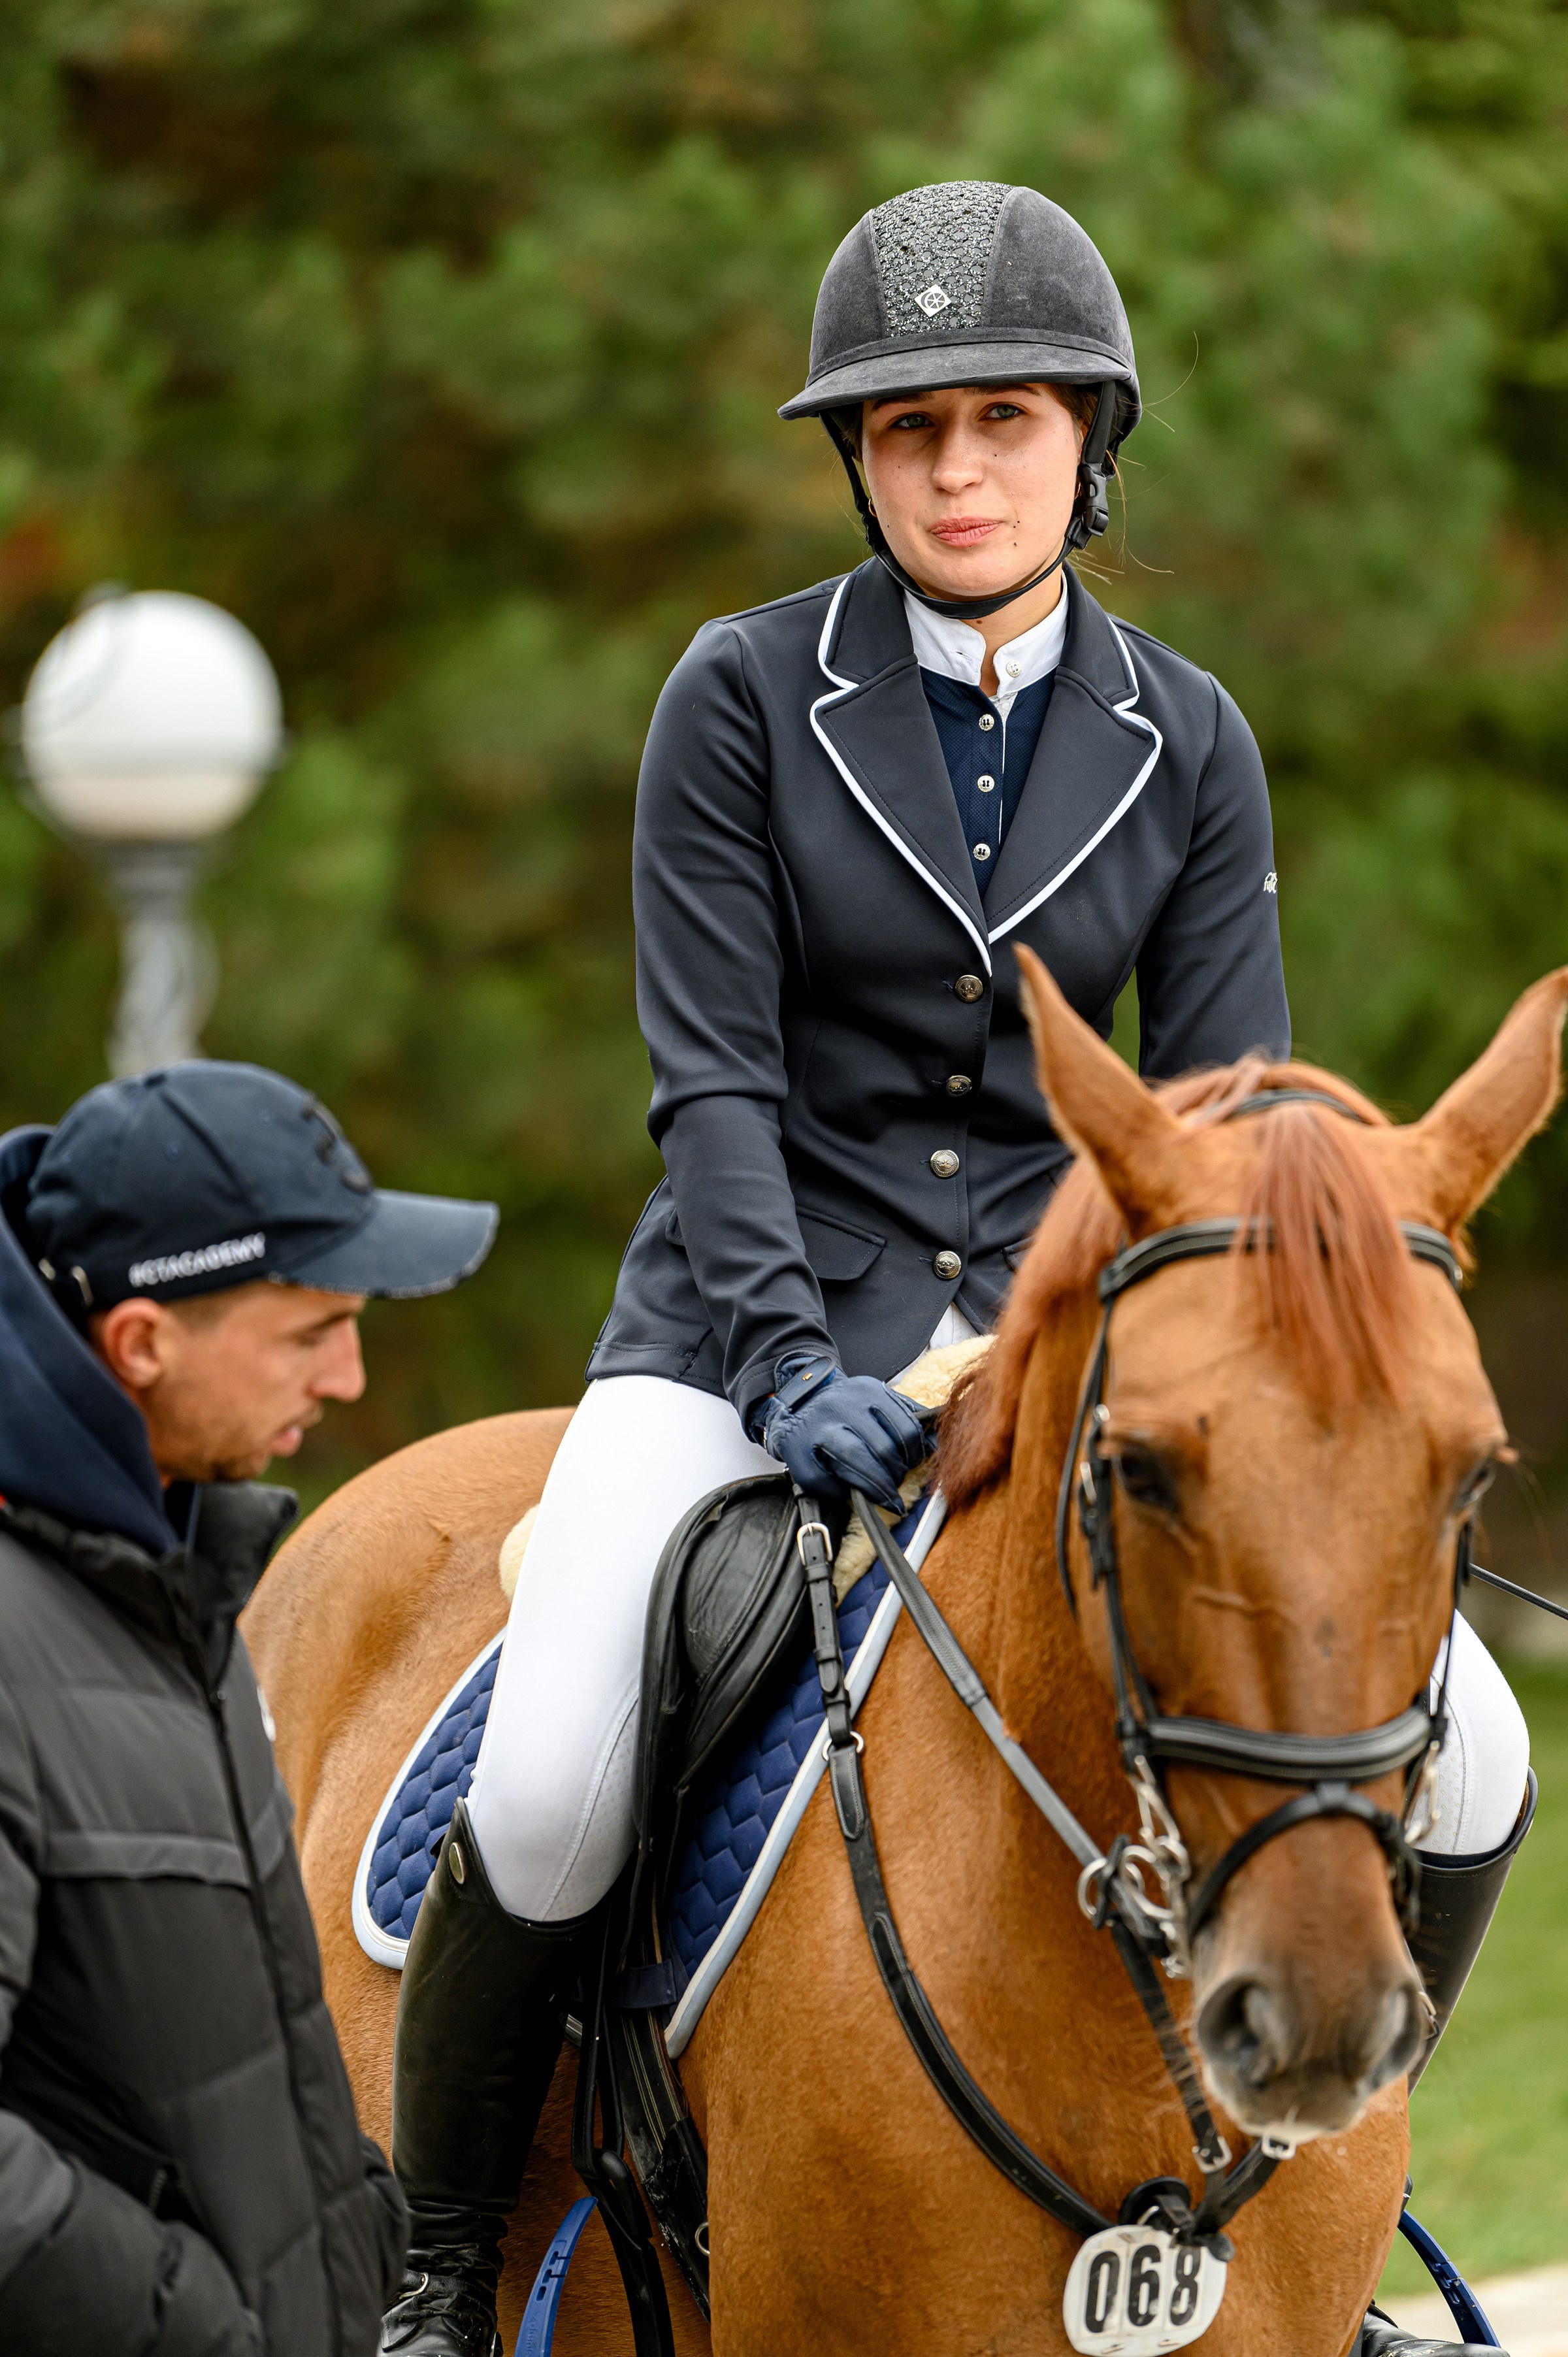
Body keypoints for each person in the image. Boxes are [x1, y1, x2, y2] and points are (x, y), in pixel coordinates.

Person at [382, 182, 1530, 2357]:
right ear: (860, 462)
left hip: (1082, 1343)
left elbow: (1229, 1128)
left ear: (1089, 443)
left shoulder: (1187, 737)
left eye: (1001, 418)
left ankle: (1305, 2186)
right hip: (752, 1312)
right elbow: (710, 1083)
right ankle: (437, 2257)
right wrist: (786, 1345)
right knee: (547, 1754)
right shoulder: (737, 699)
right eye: (907, 432)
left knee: (1465, 1738)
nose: (957, 468)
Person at [0, 1058, 498, 2355]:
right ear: (144, 1342)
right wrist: (213, 2332)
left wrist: (361, 2244)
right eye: (307, 1333)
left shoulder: (172, 1589)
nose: (344, 1379)